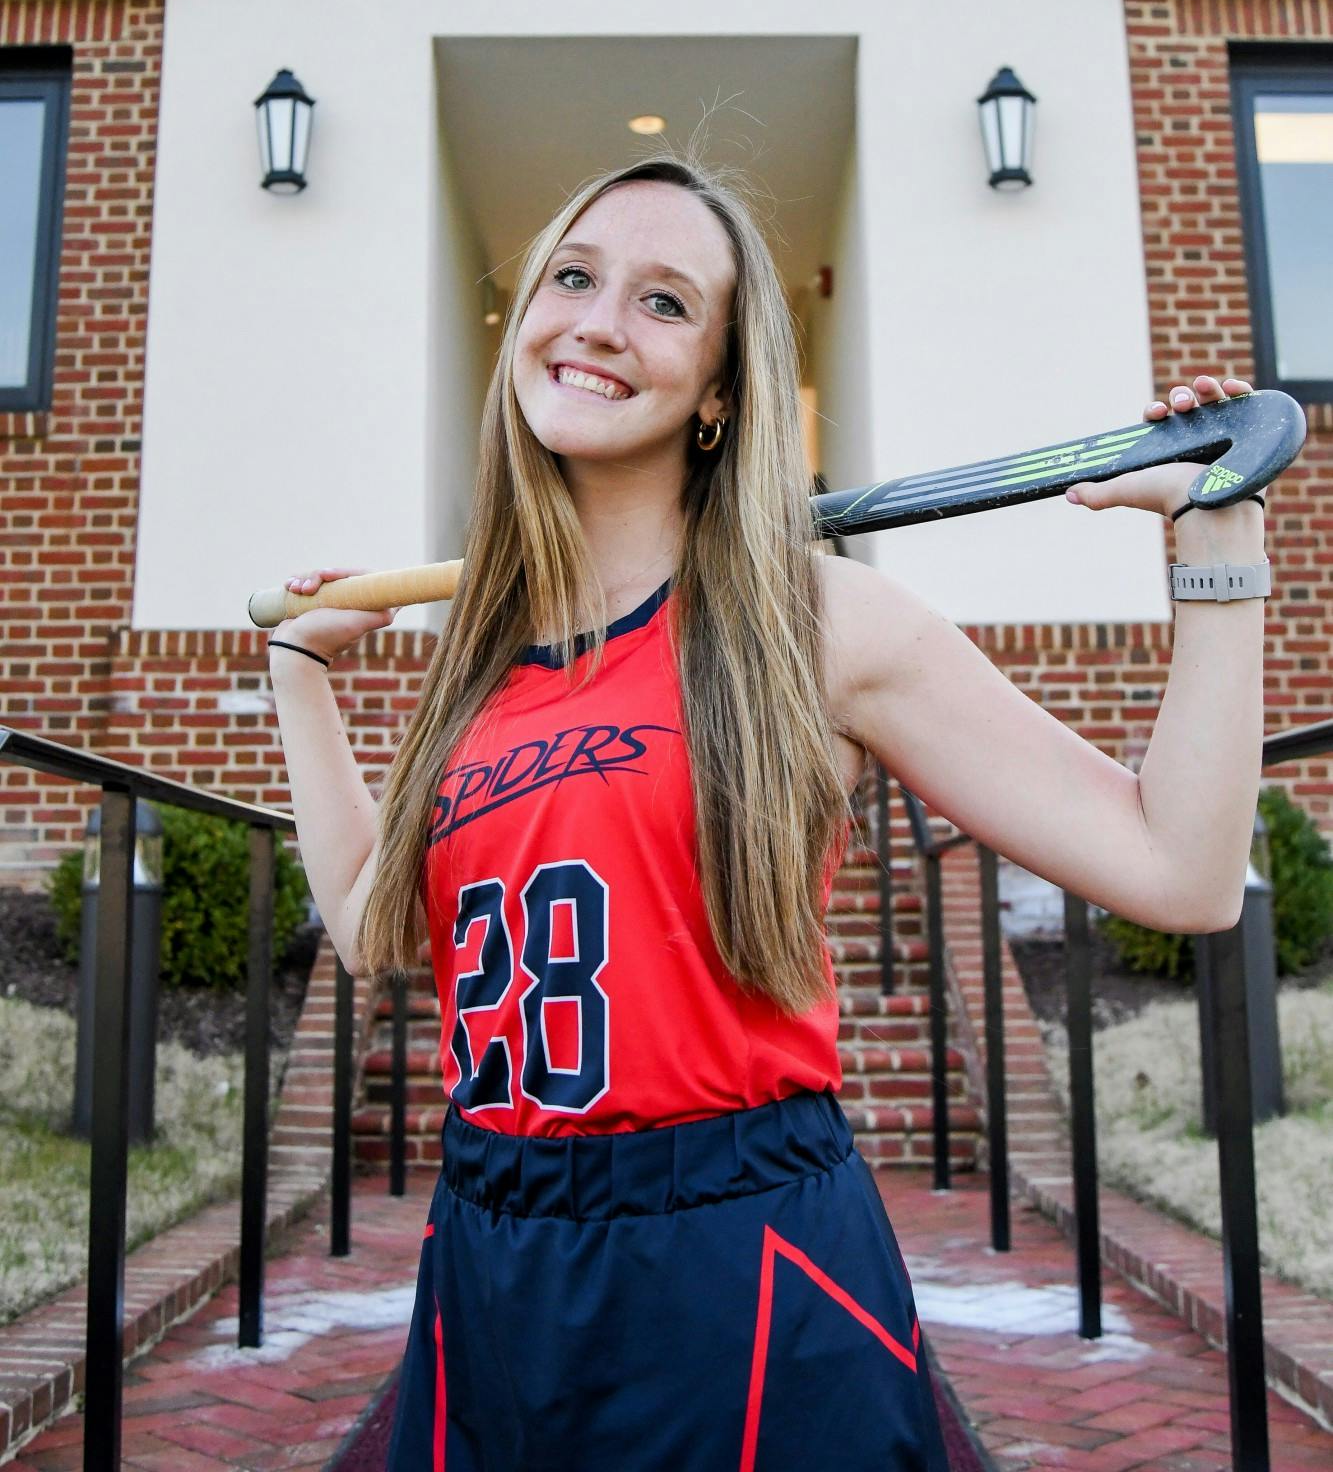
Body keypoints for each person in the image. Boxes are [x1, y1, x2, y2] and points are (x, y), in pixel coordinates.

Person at [266, 150, 1267, 1471]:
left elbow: (1178, 873)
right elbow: (369, 930)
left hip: (738, 1262)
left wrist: (1215, 553)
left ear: (724, 394)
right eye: (574, 277)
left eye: (665, 301)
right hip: (490, 1262)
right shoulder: (484, 666)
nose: (601, 321)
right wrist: (301, 673)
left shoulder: (814, 618)